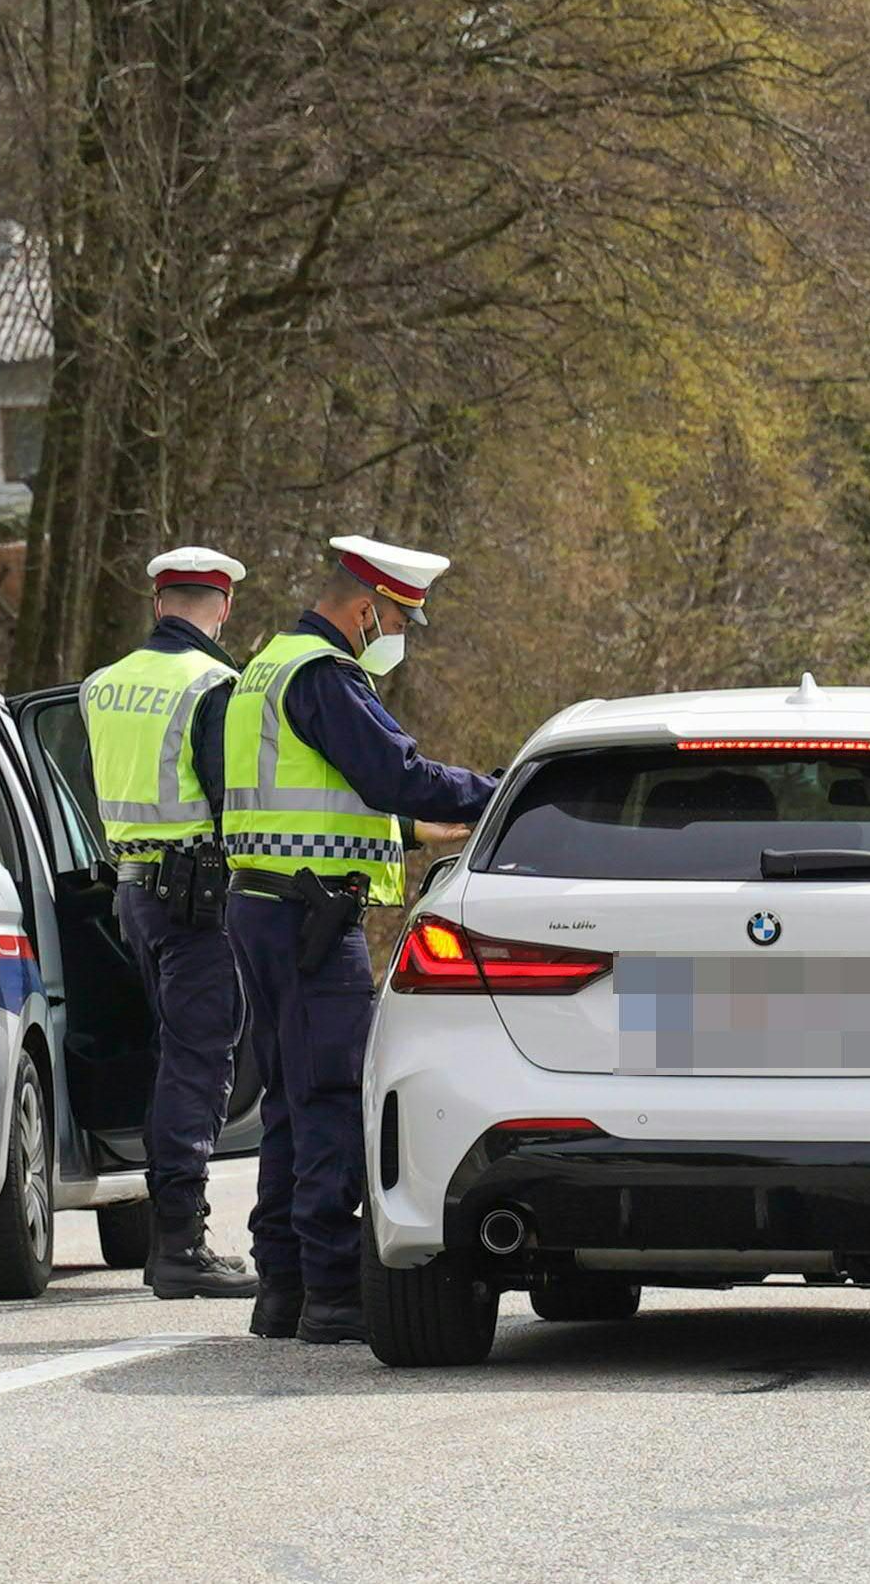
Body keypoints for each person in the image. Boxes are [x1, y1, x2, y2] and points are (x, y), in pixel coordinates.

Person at [222, 535, 495, 1344]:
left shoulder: (264, 667)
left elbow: (311, 804)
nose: (400, 636)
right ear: (368, 607)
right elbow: (393, 773)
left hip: (263, 905)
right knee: (332, 1099)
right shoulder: (325, 676)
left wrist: (408, 834)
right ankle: (334, 1293)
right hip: (313, 920)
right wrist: (506, 790)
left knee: (288, 1103)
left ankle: (282, 1289)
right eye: (402, 618)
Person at [79, 547, 260, 1299]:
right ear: (222, 608)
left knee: (171, 1054)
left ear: (159, 604)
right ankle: (180, 1243)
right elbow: (232, 802)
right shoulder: (214, 684)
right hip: (199, 897)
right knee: (197, 1062)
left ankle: (174, 1233)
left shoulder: (101, 685)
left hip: (132, 894)